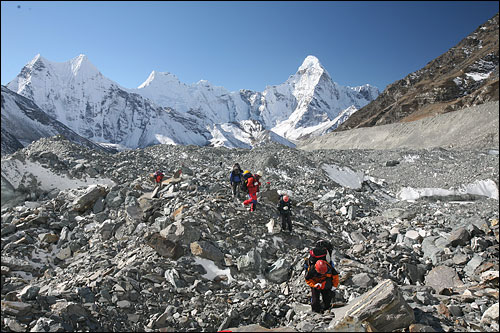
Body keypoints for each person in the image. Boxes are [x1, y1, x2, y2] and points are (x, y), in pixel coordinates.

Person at [304, 241, 339, 313]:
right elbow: (308, 280)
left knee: (327, 295)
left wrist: (334, 286)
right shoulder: (311, 271)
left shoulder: (329, 268)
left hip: (325, 281)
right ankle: (316, 311)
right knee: (315, 299)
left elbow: (335, 276)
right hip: (315, 283)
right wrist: (314, 285)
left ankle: (326, 307)